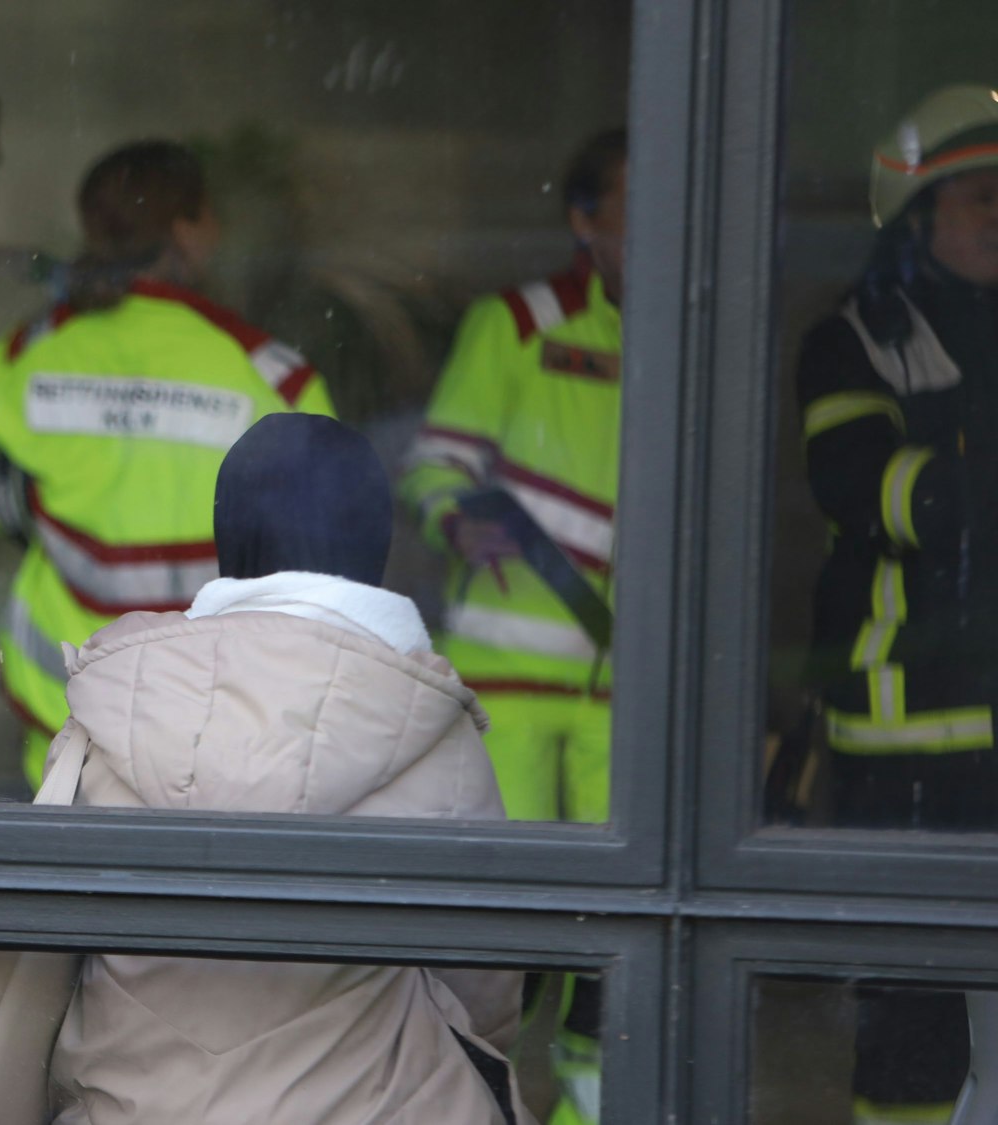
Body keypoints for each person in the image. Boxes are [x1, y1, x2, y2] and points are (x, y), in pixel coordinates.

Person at [44, 413, 526, 1125]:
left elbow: (46, 959)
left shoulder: (112, 703)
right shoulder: (434, 730)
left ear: (227, 538)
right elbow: (484, 991)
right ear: (375, 547)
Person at [0, 139, 335, 785]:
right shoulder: (273, 376)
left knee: (70, 881)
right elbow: (326, 543)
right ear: (188, 233)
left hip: (69, 714)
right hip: (216, 724)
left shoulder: (30, 351)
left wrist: (12, 502)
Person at [397, 128, 626, 1125]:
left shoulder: (697, 322)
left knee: (615, 954)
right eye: (637, 198)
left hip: (632, 695)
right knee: (496, 948)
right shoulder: (519, 323)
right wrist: (457, 512)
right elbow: (430, 463)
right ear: (584, 220)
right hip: (514, 684)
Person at [794, 83, 998, 1124]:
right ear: (916, 217)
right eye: (976, 199)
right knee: (912, 1027)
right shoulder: (857, 336)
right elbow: (872, 490)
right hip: (904, 727)